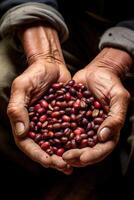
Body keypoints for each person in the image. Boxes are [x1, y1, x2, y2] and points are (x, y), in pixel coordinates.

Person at [0, 0, 134, 199]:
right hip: (67, 19)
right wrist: (43, 55)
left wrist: (112, 63)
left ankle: (109, 177)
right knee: (4, 80)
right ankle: (40, 179)